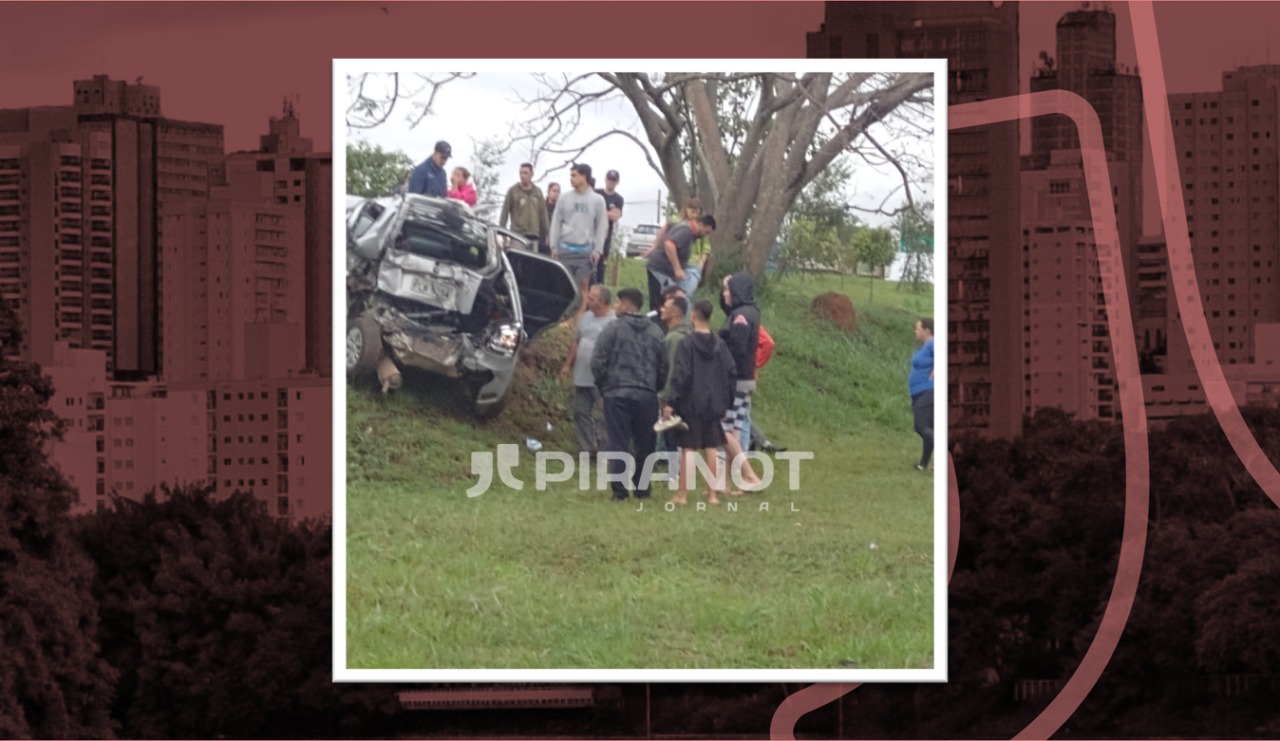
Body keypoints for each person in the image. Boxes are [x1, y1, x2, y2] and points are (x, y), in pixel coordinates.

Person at [591, 288, 668, 501]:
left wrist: (605, 386)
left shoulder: (612, 329)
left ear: (626, 304)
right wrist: (655, 387)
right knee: (646, 443)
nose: (615, 307)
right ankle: (642, 488)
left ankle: (619, 490)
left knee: (619, 441)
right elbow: (663, 367)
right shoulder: (656, 332)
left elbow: (597, 361)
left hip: (617, 393)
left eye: (618, 303)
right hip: (646, 395)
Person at [660, 299, 738, 506]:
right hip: (714, 403)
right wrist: (726, 402)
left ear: (693, 315)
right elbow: (731, 373)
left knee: (689, 448)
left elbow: (681, 374)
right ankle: (712, 495)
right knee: (711, 447)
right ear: (710, 317)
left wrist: (670, 401)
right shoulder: (720, 345)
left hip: (692, 401)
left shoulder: (687, 344)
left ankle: (682, 495)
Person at [719, 272, 763, 494]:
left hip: (733, 381)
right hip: (747, 379)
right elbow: (727, 308)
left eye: (727, 290)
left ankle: (750, 475)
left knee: (721, 429)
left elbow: (735, 348)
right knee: (734, 430)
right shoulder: (750, 311)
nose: (724, 294)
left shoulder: (739, 318)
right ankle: (725, 483)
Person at [560, 285, 616, 456]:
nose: (588, 301)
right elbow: (576, 341)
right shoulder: (585, 317)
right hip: (582, 374)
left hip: (602, 379)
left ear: (603, 302)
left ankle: (605, 449)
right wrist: (567, 365)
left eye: (592, 298)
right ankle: (588, 447)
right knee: (580, 411)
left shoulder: (614, 323)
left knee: (605, 415)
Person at [549, 164, 608, 318]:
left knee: (583, 288)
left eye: (575, 175)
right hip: (564, 249)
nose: (572, 179)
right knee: (563, 287)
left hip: (585, 252)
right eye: (571, 175)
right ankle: (561, 318)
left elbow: (602, 226)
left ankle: (579, 320)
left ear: (584, 177)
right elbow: (556, 221)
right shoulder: (564, 198)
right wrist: (553, 245)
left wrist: (598, 250)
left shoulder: (597, 200)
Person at [645, 214, 716, 312]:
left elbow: (666, 227)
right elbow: (669, 245)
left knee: (664, 302)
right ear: (700, 224)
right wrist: (677, 269)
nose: (705, 235)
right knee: (659, 305)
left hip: (662, 270)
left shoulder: (682, 225)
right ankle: (655, 324)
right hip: (660, 270)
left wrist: (655, 246)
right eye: (706, 231)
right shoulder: (686, 231)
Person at [655, 295, 691, 477]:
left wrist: (666, 399)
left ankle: (674, 473)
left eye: (666, 306)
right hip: (686, 394)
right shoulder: (687, 335)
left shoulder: (675, 338)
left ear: (676, 312)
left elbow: (672, 371)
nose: (661, 309)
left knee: (672, 435)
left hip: (675, 396)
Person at [643, 198, 710, 296]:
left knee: (682, 295)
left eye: (698, 212)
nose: (695, 215)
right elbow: (664, 233)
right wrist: (654, 246)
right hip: (674, 263)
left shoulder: (700, 226)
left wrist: (701, 263)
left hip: (692, 262)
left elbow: (706, 246)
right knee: (672, 295)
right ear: (686, 209)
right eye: (693, 211)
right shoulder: (677, 221)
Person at [499, 162, 549, 252]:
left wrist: (547, 233)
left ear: (531, 174)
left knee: (531, 264)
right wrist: (503, 232)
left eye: (525, 173)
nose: (522, 176)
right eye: (521, 173)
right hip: (517, 235)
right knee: (517, 261)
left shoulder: (538, 192)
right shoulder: (513, 191)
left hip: (534, 236)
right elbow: (505, 211)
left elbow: (543, 214)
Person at [909, 317, 935, 471]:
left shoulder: (933, 343)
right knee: (929, 426)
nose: (915, 331)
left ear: (927, 330)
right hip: (920, 391)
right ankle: (923, 464)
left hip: (928, 390)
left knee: (920, 426)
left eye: (918, 329)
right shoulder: (924, 346)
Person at [593, 169, 624, 285]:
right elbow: (592, 211)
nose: (611, 182)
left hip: (606, 236)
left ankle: (599, 288)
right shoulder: (597, 193)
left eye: (614, 180)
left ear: (617, 182)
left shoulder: (618, 199)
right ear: (605, 180)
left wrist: (601, 211)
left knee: (601, 266)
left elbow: (615, 216)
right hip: (591, 233)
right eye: (610, 180)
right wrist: (607, 213)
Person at [541, 182, 561, 256]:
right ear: (548, 192)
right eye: (554, 191)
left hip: (556, 244)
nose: (556, 193)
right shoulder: (542, 207)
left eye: (558, 191)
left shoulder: (560, 209)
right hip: (542, 243)